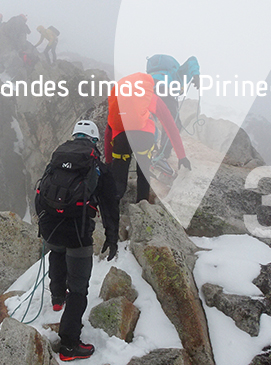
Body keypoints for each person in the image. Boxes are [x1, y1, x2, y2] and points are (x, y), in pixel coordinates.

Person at [35, 120, 120, 361]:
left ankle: (56, 298)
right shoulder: (96, 167)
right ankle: (69, 346)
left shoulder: (56, 160)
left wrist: (43, 226)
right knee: (79, 288)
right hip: (77, 230)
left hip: (52, 226)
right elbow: (110, 205)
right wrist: (112, 237)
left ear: (74, 137)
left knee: (58, 254)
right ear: (94, 141)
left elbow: (40, 193)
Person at [105, 72, 190, 203]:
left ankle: (115, 208)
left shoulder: (119, 99)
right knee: (143, 173)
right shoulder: (151, 97)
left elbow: (109, 129)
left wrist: (109, 160)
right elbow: (170, 126)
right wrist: (181, 156)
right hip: (144, 138)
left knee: (118, 178)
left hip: (121, 137)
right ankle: (142, 205)